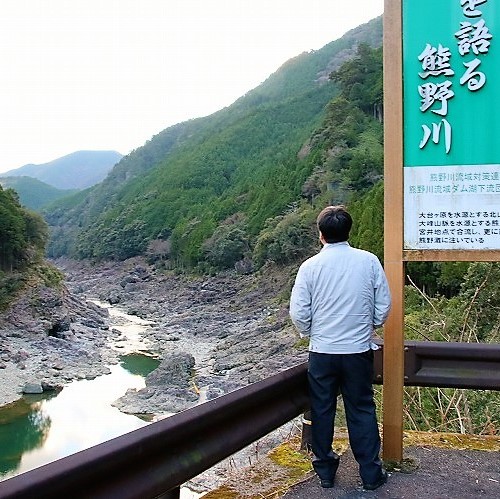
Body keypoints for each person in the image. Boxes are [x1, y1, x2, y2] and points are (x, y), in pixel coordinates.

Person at [289, 205, 391, 491]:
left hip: (322, 351)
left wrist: (310, 332)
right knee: (361, 409)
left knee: (322, 409)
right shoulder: (368, 261)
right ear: (348, 231)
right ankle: (371, 474)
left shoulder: (309, 267)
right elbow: (383, 306)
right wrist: (369, 324)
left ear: (320, 234)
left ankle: (325, 473)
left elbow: (299, 312)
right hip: (358, 350)